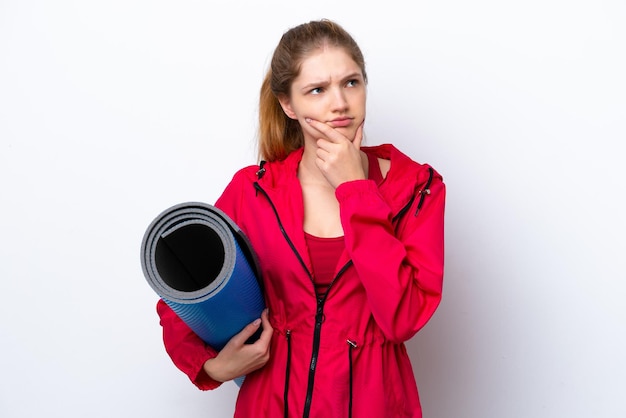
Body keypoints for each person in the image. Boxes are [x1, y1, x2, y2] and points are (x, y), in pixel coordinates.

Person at [156, 18, 446, 418]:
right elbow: (182, 296)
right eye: (317, 90)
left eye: (351, 82)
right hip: (270, 404)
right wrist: (211, 367)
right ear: (288, 105)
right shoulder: (253, 191)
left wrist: (355, 190)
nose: (340, 102)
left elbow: (404, 318)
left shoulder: (417, 188)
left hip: (374, 403)